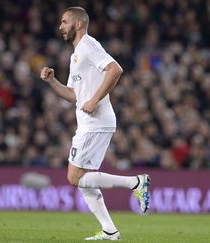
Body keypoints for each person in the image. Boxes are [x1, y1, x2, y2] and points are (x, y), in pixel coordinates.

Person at [40, 7, 150, 241]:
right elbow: (73, 95)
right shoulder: (76, 54)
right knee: (83, 180)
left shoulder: (89, 45)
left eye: (65, 22)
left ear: (78, 24)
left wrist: (95, 98)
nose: (61, 26)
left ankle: (135, 182)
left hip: (96, 121)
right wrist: (52, 82)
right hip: (89, 122)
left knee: (74, 177)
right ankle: (110, 230)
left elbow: (115, 69)